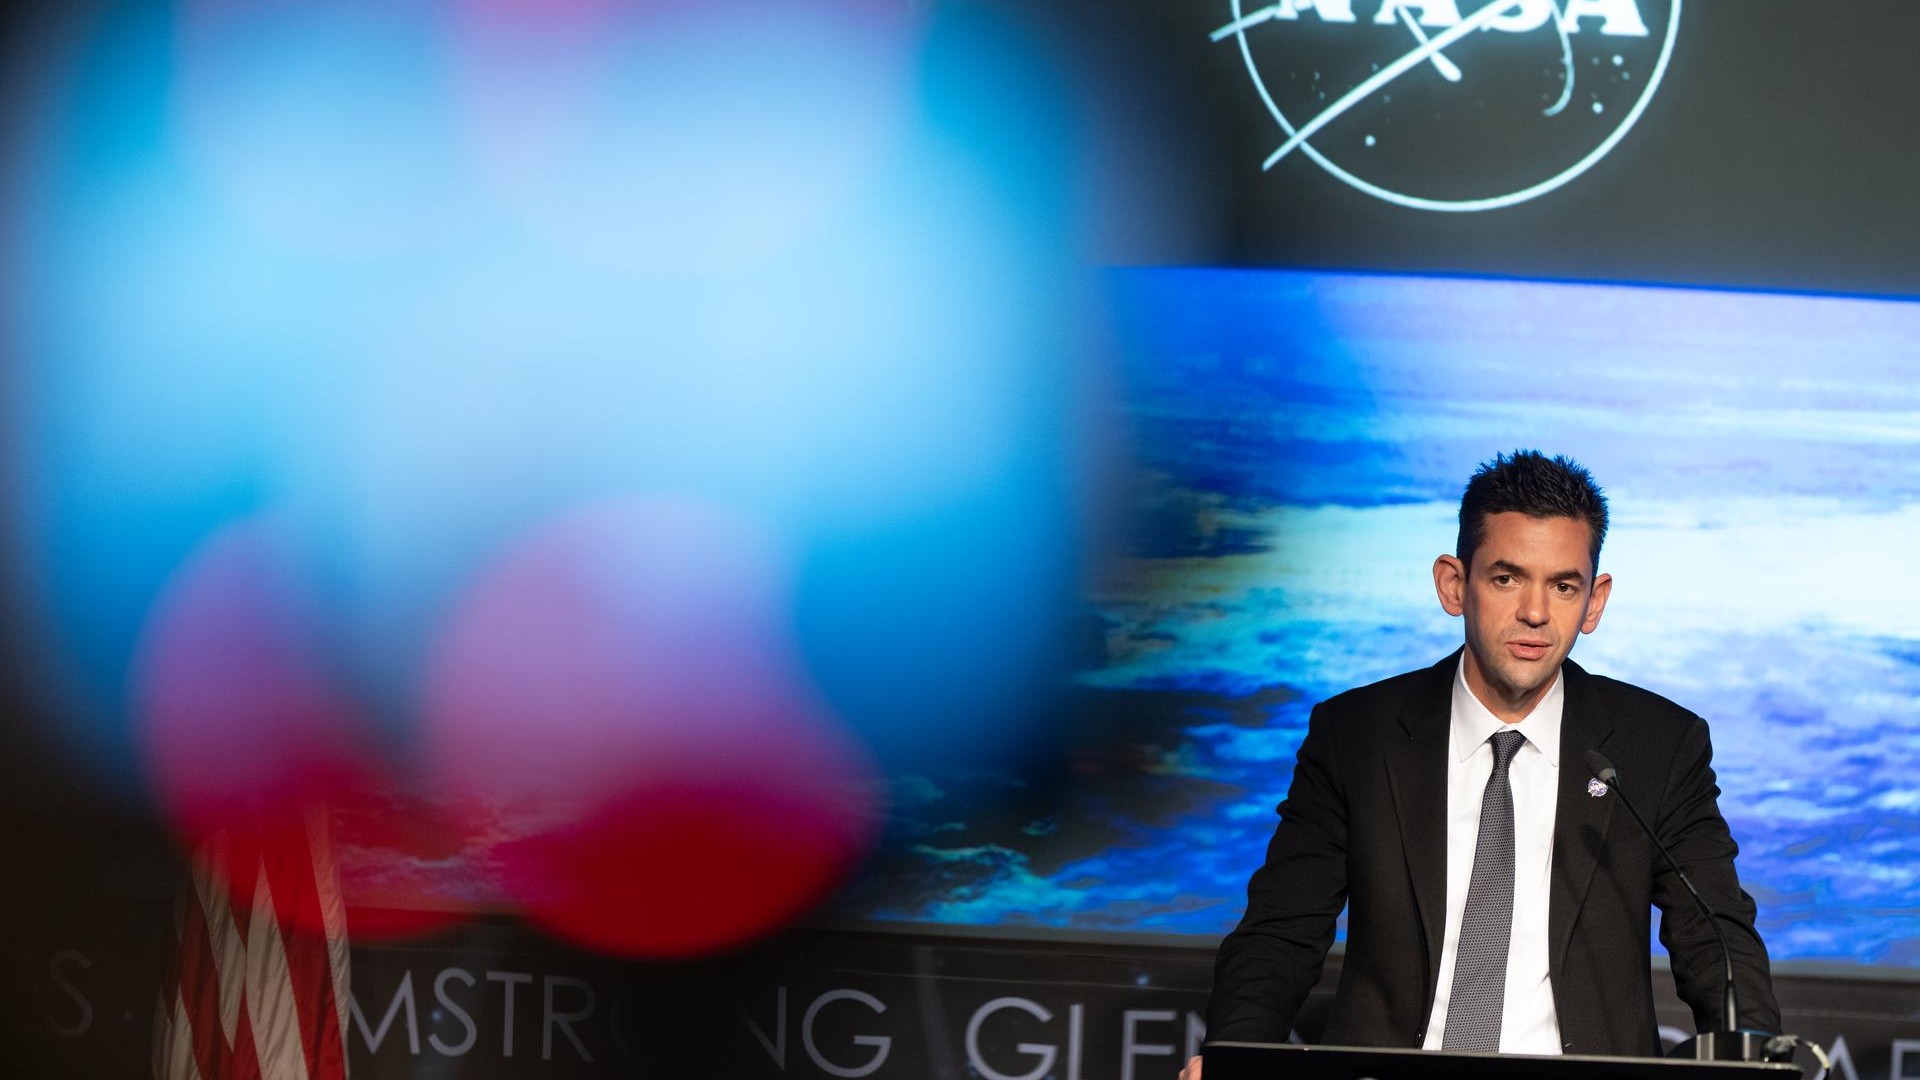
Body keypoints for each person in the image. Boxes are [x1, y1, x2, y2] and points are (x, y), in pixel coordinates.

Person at [1179, 451, 1777, 1079]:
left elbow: (1717, 938)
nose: (1536, 613)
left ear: (1595, 602)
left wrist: (1758, 1056)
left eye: (1564, 585)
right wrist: (1234, 1054)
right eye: (1506, 578)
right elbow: (1282, 931)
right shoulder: (1357, 735)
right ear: (1453, 584)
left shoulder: (1657, 746)